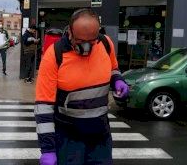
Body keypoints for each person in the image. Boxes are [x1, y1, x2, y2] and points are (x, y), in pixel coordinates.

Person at [35, 9, 129, 165]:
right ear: (70, 32)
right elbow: (43, 106)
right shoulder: (54, 55)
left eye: (92, 41)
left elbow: (113, 68)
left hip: (100, 135)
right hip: (68, 138)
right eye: (80, 42)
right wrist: (48, 150)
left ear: (98, 33)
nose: (86, 47)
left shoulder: (105, 44)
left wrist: (118, 80)